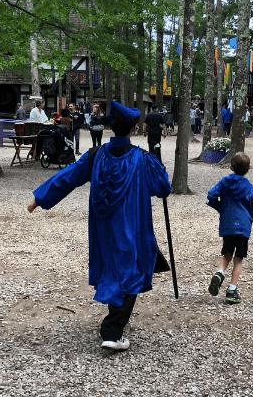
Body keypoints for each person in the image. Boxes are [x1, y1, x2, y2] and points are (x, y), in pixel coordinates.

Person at [28, 101, 171, 351]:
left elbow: (68, 177)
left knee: (113, 266)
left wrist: (40, 199)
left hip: (103, 225)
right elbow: (162, 188)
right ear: (133, 128)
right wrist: (161, 170)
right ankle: (113, 331)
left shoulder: (96, 156)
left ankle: (113, 324)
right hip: (131, 223)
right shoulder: (142, 158)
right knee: (133, 267)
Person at [207, 152, 253, 305]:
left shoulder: (224, 182)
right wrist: (248, 216)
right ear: (249, 168)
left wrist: (220, 208)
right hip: (243, 227)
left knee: (227, 254)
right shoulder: (249, 187)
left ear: (231, 167)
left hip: (227, 225)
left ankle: (219, 273)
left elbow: (211, 196)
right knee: (239, 259)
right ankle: (231, 290)